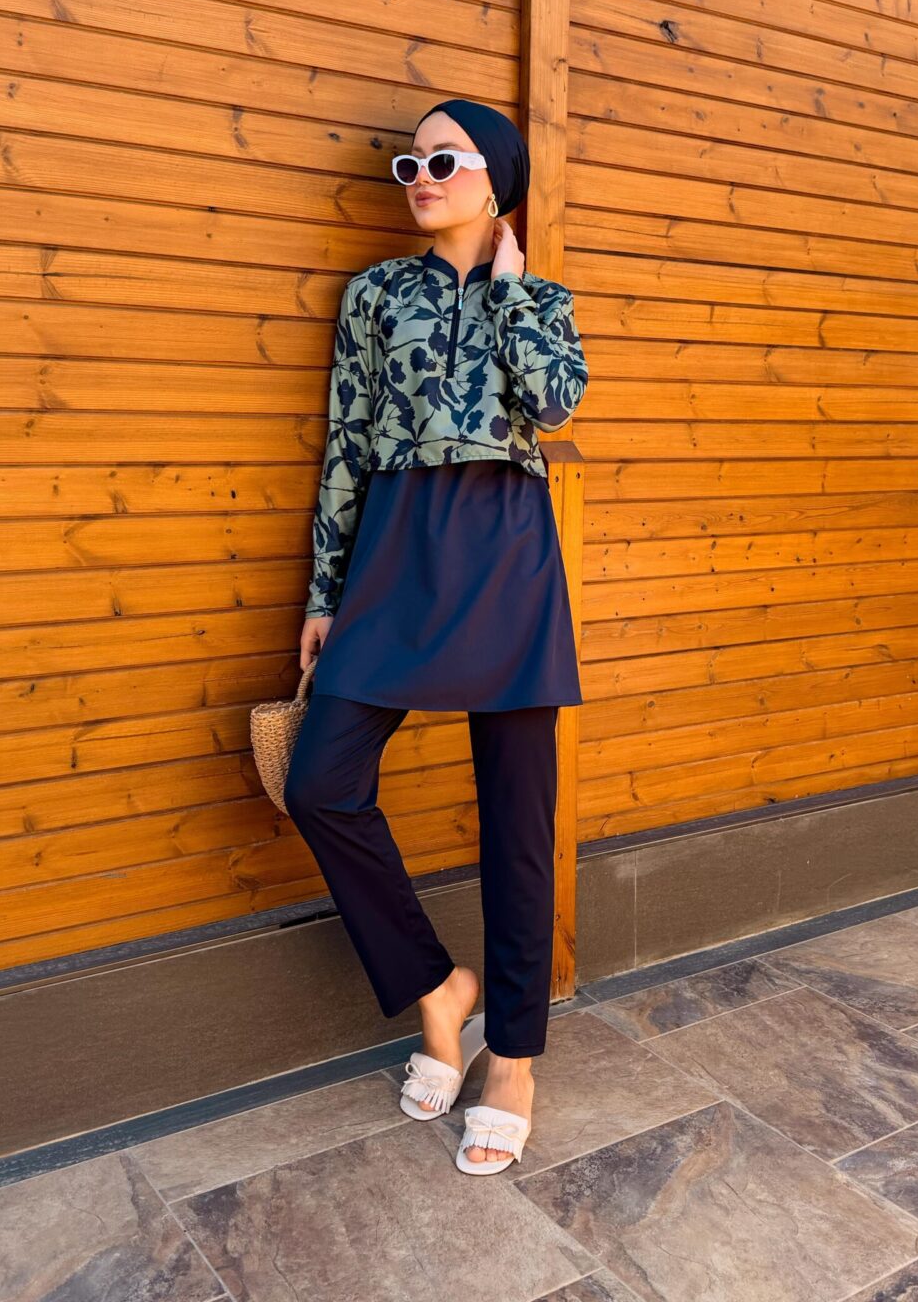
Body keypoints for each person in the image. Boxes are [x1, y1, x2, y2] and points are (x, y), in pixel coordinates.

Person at [284, 97, 588, 1174]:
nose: (420, 179)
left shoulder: (540, 299)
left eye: (443, 162)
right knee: (321, 782)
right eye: (409, 164)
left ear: (496, 178)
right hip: (396, 545)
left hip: (506, 545)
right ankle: (438, 987)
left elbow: (554, 405)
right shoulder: (375, 294)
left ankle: (515, 1055)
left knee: (517, 818)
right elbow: (346, 443)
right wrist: (326, 589)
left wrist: (507, 290)